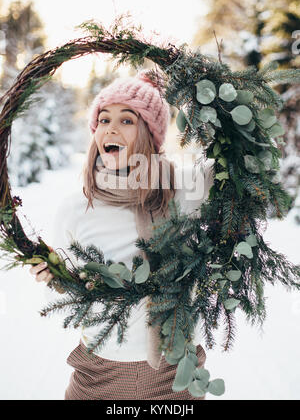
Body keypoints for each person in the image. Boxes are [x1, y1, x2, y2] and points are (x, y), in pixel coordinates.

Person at [29, 69, 215, 400]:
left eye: (127, 120)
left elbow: (248, 159)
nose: (111, 128)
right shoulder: (76, 208)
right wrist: (52, 278)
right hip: (98, 373)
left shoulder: (185, 188)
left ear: (150, 133)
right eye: (103, 119)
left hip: (173, 373)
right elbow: (62, 303)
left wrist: (193, 80)